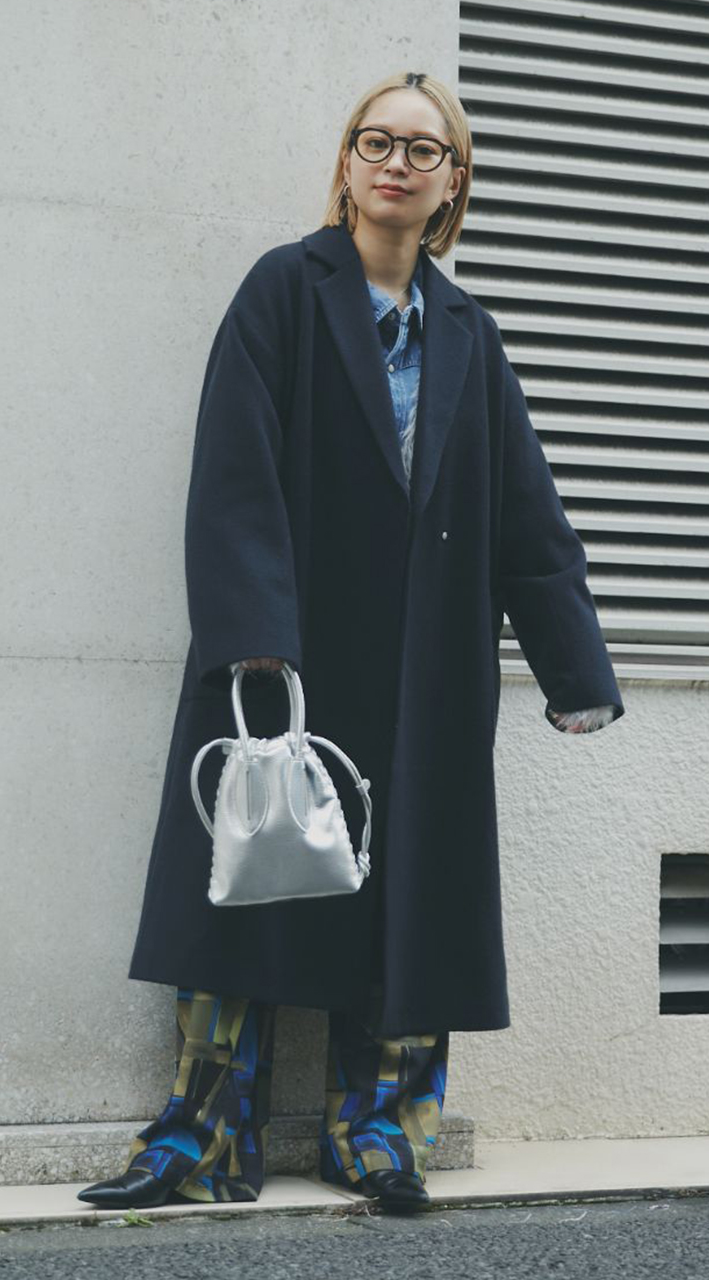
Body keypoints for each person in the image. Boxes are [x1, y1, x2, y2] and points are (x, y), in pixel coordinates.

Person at [78, 70, 624, 1216]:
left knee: (405, 899)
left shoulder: (469, 334)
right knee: (242, 890)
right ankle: (200, 1138)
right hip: (286, 658)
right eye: (376, 141)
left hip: (424, 668)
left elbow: (526, 513)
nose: (395, 162)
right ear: (345, 160)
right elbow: (233, 470)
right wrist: (253, 637)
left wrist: (574, 669)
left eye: (424, 149)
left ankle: (376, 1136)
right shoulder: (285, 289)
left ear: (452, 183)